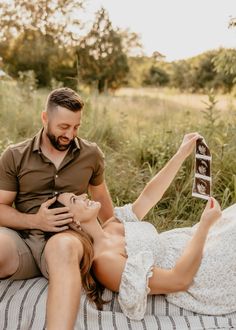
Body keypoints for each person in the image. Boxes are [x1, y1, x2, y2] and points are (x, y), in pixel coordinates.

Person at [57, 132, 236, 321]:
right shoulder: (105, 262)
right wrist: (204, 225)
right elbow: (179, 280)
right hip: (202, 271)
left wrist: (181, 153)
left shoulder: (111, 224)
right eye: (75, 199)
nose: (85, 196)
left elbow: (149, 196)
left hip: (195, 241)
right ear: (73, 221)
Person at [0, 87, 113, 330]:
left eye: (76, 127)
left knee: (61, 246)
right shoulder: (14, 156)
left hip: (69, 240)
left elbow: (103, 202)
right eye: (63, 127)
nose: (70, 135)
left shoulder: (91, 155)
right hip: (23, 241)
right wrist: (35, 222)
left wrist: (115, 231)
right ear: (45, 118)